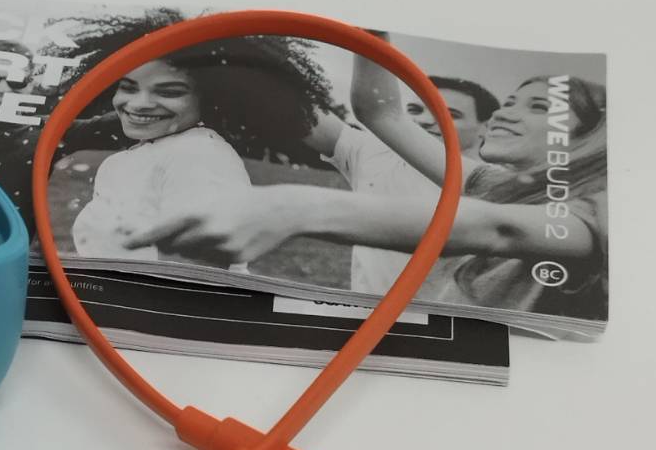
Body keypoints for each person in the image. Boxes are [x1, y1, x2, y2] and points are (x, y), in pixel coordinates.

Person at [123, 74, 608, 322]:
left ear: (589, 136)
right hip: (380, 329)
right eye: (512, 102)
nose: (507, 113)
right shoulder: (492, 183)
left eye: (540, 107)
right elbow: (382, 113)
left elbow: (499, 229)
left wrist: (294, 207)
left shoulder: (598, 207)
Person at [54, 12, 333, 264]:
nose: (138, 104)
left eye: (169, 92)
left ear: (210, 98)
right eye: (128, 87)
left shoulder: (199, 156)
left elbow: (189, 280)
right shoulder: (148, 151)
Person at [302, 56, 499, 294]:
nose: (424, 120)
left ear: (486, 127)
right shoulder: (374, 153)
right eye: (415, 110)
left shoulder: (503, 186)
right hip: (370, 311)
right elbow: (299, 113)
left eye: (450, 114)